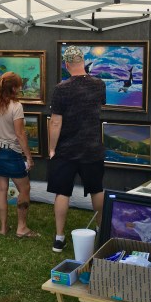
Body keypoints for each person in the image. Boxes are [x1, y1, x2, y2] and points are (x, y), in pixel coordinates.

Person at [47, 45, 106, 253]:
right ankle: (101, 230)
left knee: (62, 192)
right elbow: (97, 109)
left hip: (66, 149)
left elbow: (55, 122)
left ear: (66, 65)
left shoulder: (61, 89)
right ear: (83, 62)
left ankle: (59, 238)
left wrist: (52, 149)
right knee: (96, 190)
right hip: (92, 147)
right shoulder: (99, 84)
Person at [0, 71, 38, 238]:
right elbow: (20, 134)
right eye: (19, 86)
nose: (20, 89)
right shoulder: (16, 106)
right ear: (14, 88)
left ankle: (3, 228)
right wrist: (28, 157)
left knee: (2, 189)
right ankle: (21, 227)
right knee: (25, 188)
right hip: (10, 152)